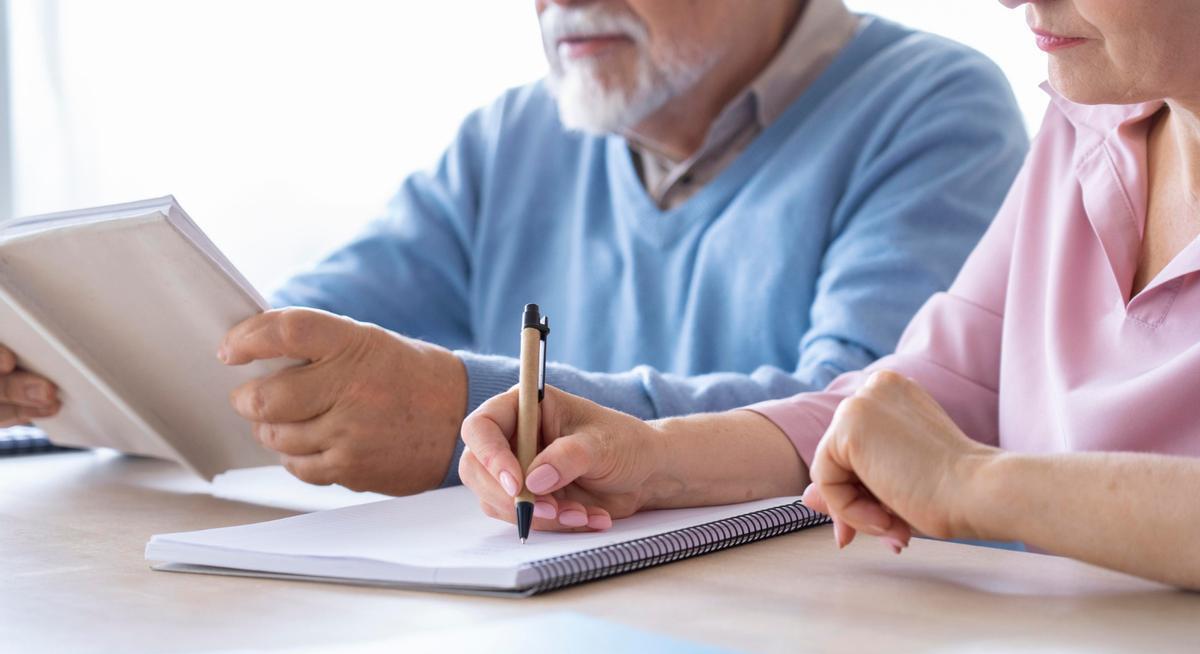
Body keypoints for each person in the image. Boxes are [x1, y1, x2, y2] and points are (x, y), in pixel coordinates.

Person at [0, 0, 1028, 496]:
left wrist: (463, 413)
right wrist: (73, 357)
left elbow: (868, 421)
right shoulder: (514, 134)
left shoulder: (938, 107)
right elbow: (277, 341)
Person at [459, 0, 1200, 590]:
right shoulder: (1086, 128)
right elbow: (920, 397)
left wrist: (974, 482)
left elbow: (940, 457)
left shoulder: (934, 100)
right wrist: (653, 456)